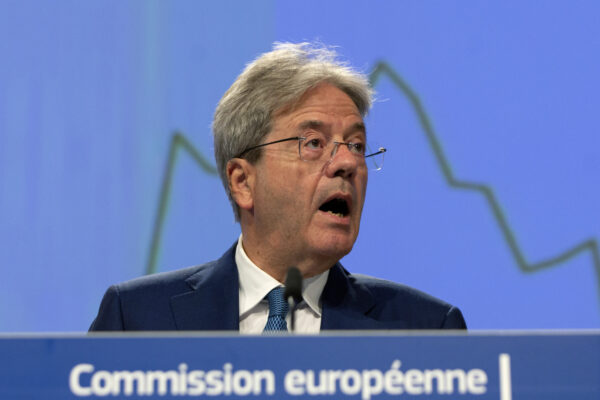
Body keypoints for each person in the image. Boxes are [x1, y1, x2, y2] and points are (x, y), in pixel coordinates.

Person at [90, 42, 466, 332]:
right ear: (242, 181)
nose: (349, 163)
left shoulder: (426, 330)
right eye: (313, 143)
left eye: (356, 145)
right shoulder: (137, 318)